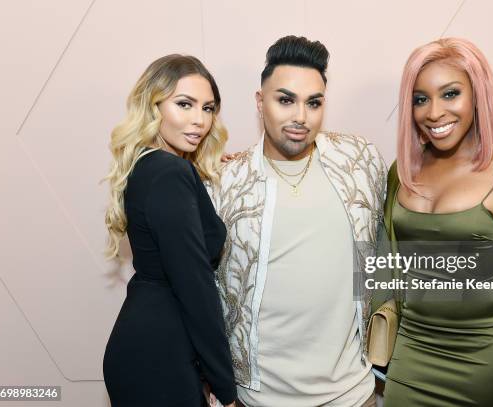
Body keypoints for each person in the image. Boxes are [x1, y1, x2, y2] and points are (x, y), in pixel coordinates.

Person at [372, 38, 493, 406]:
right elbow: (385, 267)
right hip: (413, 356)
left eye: (450, 94)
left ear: (478, 95)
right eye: (420, 99)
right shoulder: (403, 173)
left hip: (491, 364)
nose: (434, 112)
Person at [207, 36, 387, 406]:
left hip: (353, 395)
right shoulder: (226, 183)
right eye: (285, 100)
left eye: (313, 103)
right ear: (260, 102)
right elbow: (201, 289)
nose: (300, 117)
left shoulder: (361, 162)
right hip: (258, 399)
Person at [102, 54, 236, 407]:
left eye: (208, 109)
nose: (199, 121)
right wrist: (226, 388)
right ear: (153, 105)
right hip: (158, 356)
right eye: (184, 104)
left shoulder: (149, 166)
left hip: (149, 343)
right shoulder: (169, 173)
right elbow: (195, 287)